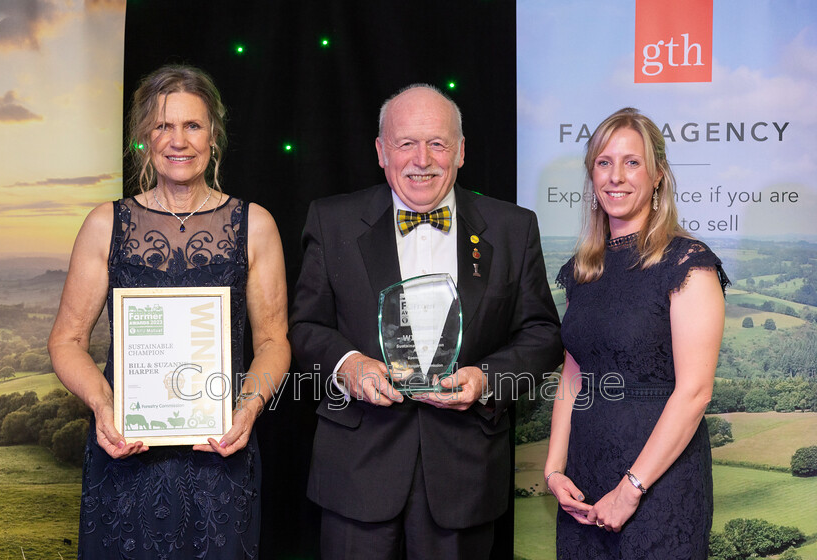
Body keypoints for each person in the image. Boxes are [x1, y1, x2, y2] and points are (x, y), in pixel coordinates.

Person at [288, 84, 563, 559]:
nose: (422, 159)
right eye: (406, 144)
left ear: (460, 152)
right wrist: (349, 365)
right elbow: (304, 327)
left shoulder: (512, 227)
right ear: (381, 152)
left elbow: (542, 334)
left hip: (464, 476)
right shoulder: (332, 220)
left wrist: (486, 379)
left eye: (437, 143)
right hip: (357, 471)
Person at [48, 64, 290, 558]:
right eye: (163, 126)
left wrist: (248, 409)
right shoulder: (104, 224)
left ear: (214, 135)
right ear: (144, 138)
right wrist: (102, 405)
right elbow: (66, 341)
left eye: (192, 125)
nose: (178, 140)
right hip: (125, 453)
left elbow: (272, 342)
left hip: (221, 455)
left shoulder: (256, 225)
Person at [544, 107, 728, 559]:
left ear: (658, 176)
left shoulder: (687, 262)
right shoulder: (582, 271)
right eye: (604, 163)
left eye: (632, 162)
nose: (616, 177)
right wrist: (553, 469)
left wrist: (630, 490)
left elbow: (695, 393)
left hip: (658, 485)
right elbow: (575, 379)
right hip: (584, 484)